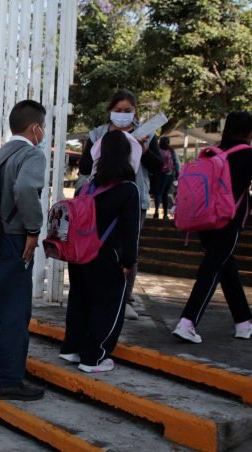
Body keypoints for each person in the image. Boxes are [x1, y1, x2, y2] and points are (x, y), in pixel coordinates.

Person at [0, 100, 47, 401]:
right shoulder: (31, 154)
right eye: (43, 128)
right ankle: (9, 379)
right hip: (13, 240)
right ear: (35, 128)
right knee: (14, 311)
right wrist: (33, 229)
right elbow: (25, 189)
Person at [172, 112, 252, 343]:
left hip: (204, 218)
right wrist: (248, 204)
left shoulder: (212, 152)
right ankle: (187, 322)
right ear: (251, 132)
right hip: (229, 219)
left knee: (225, 266)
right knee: (213, 269)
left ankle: (243, 323)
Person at [79, 90, 164, 320]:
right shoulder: (98, 134)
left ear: (135, 112)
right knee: (96, 246)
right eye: (118, 110)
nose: (123, 115)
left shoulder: (146, 134)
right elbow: (84, 166)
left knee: (128, 248)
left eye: (128, 111)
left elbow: (158, 166)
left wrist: (143, 150)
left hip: (133, 198)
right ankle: (94, 294)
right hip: (99, 199)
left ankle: (124, 298)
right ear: (110, 110)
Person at [60, 131, 141, 373]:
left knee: (80, 301)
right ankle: (94, 357)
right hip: (106, 256)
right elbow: (130, 231)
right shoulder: (128, 189)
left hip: (79, 255)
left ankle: (72, 348)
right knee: (107, 306)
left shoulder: (86, 187)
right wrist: (129, 261)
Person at [154, 137, 180, 219]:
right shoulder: (171, 151)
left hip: (158, 174)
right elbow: (177, 163)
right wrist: (178, 173)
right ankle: (165, 214)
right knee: (165, 193)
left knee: (158, 193)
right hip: (169, 175)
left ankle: (156, 212)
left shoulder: (157, 150)